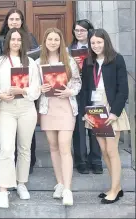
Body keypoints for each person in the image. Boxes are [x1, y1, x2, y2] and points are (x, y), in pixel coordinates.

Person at [0, 28, 41, 208]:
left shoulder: (31, 63)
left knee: (24, 148)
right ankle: (3, 190)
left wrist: (22, 90)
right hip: (7, 108)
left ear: (23, 42)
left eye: (18, 40)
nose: (15, 42)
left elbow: (36, 90)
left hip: (27, 108)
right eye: (12, 39)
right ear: (8, 42)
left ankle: (21, 183)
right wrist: (0, 95)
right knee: (6, 148)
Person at [82, 28, 130, 204]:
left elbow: (122, 90)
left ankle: (115, 190)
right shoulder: (88, 63)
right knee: (103, 151)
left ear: (106, 42)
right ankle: (115, 187)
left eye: (99, 42)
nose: (95, 46)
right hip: (95, 110)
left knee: (111, 150)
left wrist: (115, 113)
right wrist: (85, 113)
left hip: (111, 109)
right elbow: (86, 90)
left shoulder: (117, 60)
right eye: (93, 43)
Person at [37, 28, 81, 206]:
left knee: (64, 146)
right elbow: (33, 84)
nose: (53, 42)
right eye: (50, 39)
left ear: (60, 42)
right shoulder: (38, 62)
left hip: (66, 107)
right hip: (48, 108)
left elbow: (78, 82)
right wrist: (40, 89)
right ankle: (60, 183)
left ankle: (68, 189)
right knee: (53, 147)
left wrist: (71, 91)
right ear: (45, 42)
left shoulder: (69, 60)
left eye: (56, 39)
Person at [0, 8, 40, 174]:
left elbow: (35, 59)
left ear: (22, 21)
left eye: (17, 19)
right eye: (11, 19)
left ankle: (27, 166)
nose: (14, 22)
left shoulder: (29, 38)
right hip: (7, 99)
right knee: (8, 142)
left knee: (26, 139)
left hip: (26, 95)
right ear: (7, 21)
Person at [69, 19, 103, 174]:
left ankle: (96, 159)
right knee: (79, 127)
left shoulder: (96, 47)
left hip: (94, 89)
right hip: (76, 91)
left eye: (82, 30)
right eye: (77, 30)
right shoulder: (69, 49)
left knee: (96, 125)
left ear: (89, 31)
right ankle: (81, 160)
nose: (79, 33)